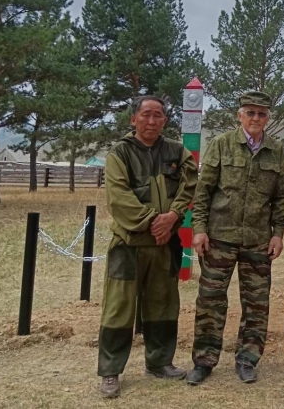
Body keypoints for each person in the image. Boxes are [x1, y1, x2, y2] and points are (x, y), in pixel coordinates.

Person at [186, 91, 284, 386]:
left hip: (258, 240)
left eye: (262, 114)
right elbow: (203, 191)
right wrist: (200, 229)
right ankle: (204, 360)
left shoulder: (276, 151)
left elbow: (283, 196)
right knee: (210, 300)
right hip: (220, 237)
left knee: (256, 303)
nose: (256, 118)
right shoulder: (221, 145)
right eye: (250, 113)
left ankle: (247, 359)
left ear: (268, 118)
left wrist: (277, 234)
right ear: (239, 115)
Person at [97, 95, 198, 399]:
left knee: (163, 305)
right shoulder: (120, 153)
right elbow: (119, 198)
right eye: (146, 115)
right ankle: (111, 371)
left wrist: (173, 216)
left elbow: (189, 184)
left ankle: (159, 362)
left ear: (165, 121)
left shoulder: (176, 152)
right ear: (134, 119)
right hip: (128, 245)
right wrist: (154, 222)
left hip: (165, 244)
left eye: (158, 116)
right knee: (118, 308)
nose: (152, 121)